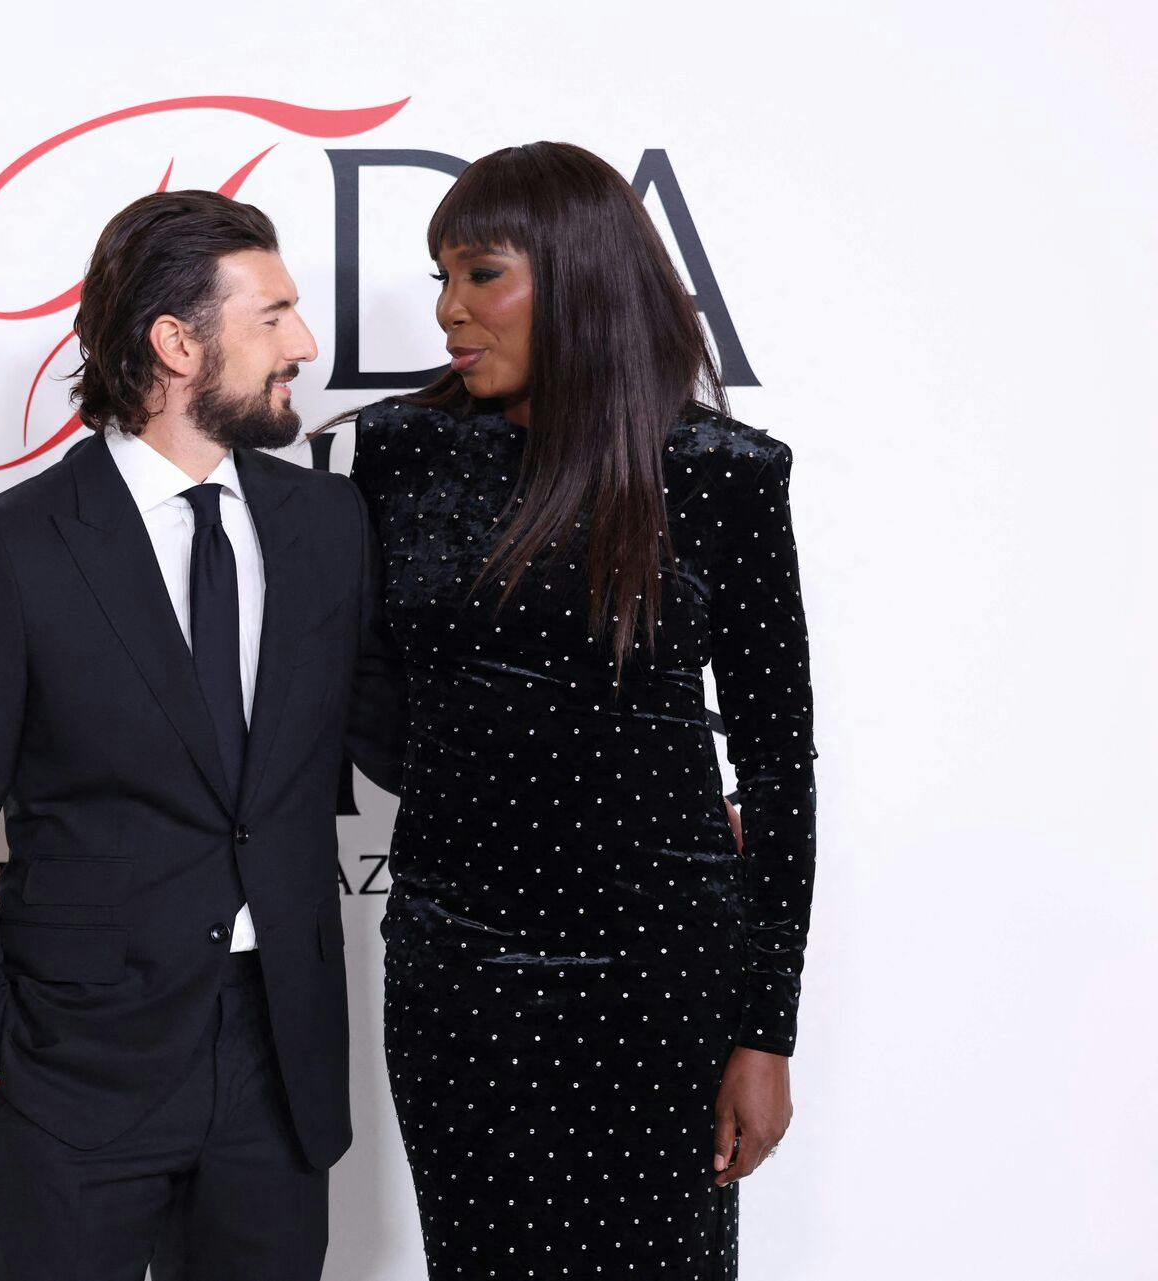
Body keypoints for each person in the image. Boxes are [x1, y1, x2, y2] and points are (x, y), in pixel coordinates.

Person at [0, 189, 402, 1281]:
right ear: (176, 343)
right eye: (273, 316)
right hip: (77, 1071)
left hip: (279, 1060)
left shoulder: (326, 527)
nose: (304, 345)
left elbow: (395, 742)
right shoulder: (11, 550)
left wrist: (643, 799)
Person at [339, 142, 818, 1278]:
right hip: (458, 967)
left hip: (660, 974)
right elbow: (368, 696)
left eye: (481, 275)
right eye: (440, 279)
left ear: (579, 279)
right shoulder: (402, 450)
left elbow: (780, 763)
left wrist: (765, 1032)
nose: (450, 311)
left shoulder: (718, 471)